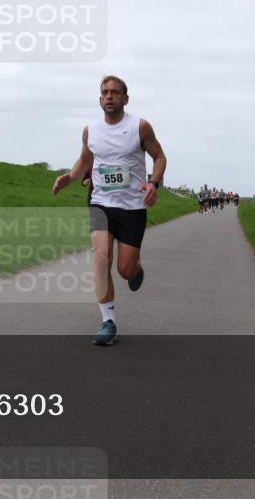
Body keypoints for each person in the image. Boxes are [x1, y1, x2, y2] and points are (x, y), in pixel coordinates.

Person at [52, 76, 167, 346]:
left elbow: (160, 157)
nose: (109, 96)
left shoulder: (140, 127)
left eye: (115, 92)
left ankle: (135, 270)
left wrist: (153, 183)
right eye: (104, 92)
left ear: (125, 99)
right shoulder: (90, 130)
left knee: (124, 269)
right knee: (101, 257)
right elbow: (85, 159)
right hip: (100, 202)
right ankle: (108, 321)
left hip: (133, 207)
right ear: (99, 99)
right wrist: (70, 177)